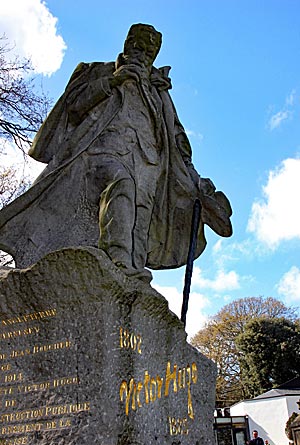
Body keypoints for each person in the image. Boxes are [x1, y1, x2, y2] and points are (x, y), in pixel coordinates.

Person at [0, 24, 232, 281]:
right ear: (126, 42)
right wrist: (112, 81)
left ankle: (133, 274)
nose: (141, 51)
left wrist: (192, 174)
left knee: (141, 211)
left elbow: (177, 138)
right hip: (100, 150)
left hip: (148, 160)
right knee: (121, 183)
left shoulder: (159, 92)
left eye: (148, 49)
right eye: (137, 44)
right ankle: (118, 261)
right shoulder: (97, 71)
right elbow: (74, 107)